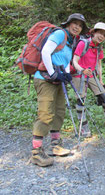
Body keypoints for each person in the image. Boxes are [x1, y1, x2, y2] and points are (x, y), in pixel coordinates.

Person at [31, 13, 89, 167]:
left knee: (59, 111)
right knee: (46, 114)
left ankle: (55, 145)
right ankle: (36, 153)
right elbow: (45, 51)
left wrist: (67, 75)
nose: (77, 27)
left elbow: (62, 61)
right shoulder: (59, 34)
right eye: (74, 23)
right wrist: (52, 72)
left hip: (57, 81)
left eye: (80, 25)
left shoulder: (71, 42)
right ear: (68, 24)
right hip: (44, 79)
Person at [72, 22, 105, 137]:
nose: (102, 36)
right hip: (79, 75)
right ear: (94, 32)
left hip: (91, 75)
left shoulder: (99, 47)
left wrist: (101, 79)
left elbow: (99, 64)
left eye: (104, 35)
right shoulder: (83, 43)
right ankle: (83, 127)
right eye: (100, 33)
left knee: (104, 96)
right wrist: (82, 70)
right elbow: (75, 61)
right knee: (81, 99)